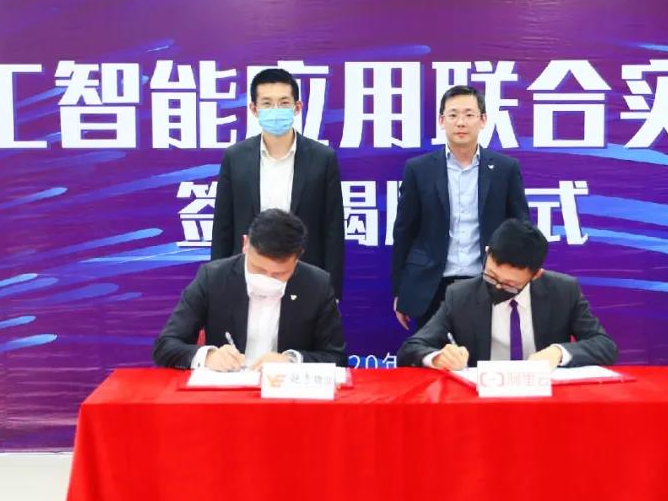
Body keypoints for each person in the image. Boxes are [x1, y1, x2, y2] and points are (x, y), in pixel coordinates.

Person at [391, 84, 530, 330]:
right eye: (453, 115)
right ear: (441, 121)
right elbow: (404, 232)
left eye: (469, 114)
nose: (461, 122)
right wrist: (400, 290)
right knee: (433, 352)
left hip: (487, 283)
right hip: (431, 286)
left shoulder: (505, 169)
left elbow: (521, 228)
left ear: (483, 120)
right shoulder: (419, 169)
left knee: (483, 354)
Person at [397, 219, 616, 370]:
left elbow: (604, 346)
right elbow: (410, 349)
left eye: (510, 284)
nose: (498, 288)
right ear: (487, 253)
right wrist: (437, 358)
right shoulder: (461, 295)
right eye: (491, 277)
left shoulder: (563, 291)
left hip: (545, 400)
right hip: (481, 402)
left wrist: (558, 353)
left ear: (536, 274)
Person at [211, 68, 345, 299]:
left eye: (284, 103)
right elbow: (223, 226)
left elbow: (333, 230)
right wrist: (218, 287)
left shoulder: (322, 158)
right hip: (248, 276)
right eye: (267, 103)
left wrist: (331, 292)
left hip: (305, 277)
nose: (276, 110)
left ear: (297, 107)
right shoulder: (235, 157)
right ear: (254, 109)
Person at [155, 209, 346, 370]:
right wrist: (208, 356)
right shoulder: (213, 277)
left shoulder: (316, 284)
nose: (267, 278)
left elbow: (336, 357)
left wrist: (291, 361)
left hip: (287, 393)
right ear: (246, 244)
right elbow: (166, 345)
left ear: (298, 257)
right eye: (259, 269)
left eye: (279, 274)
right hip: (226, 392)